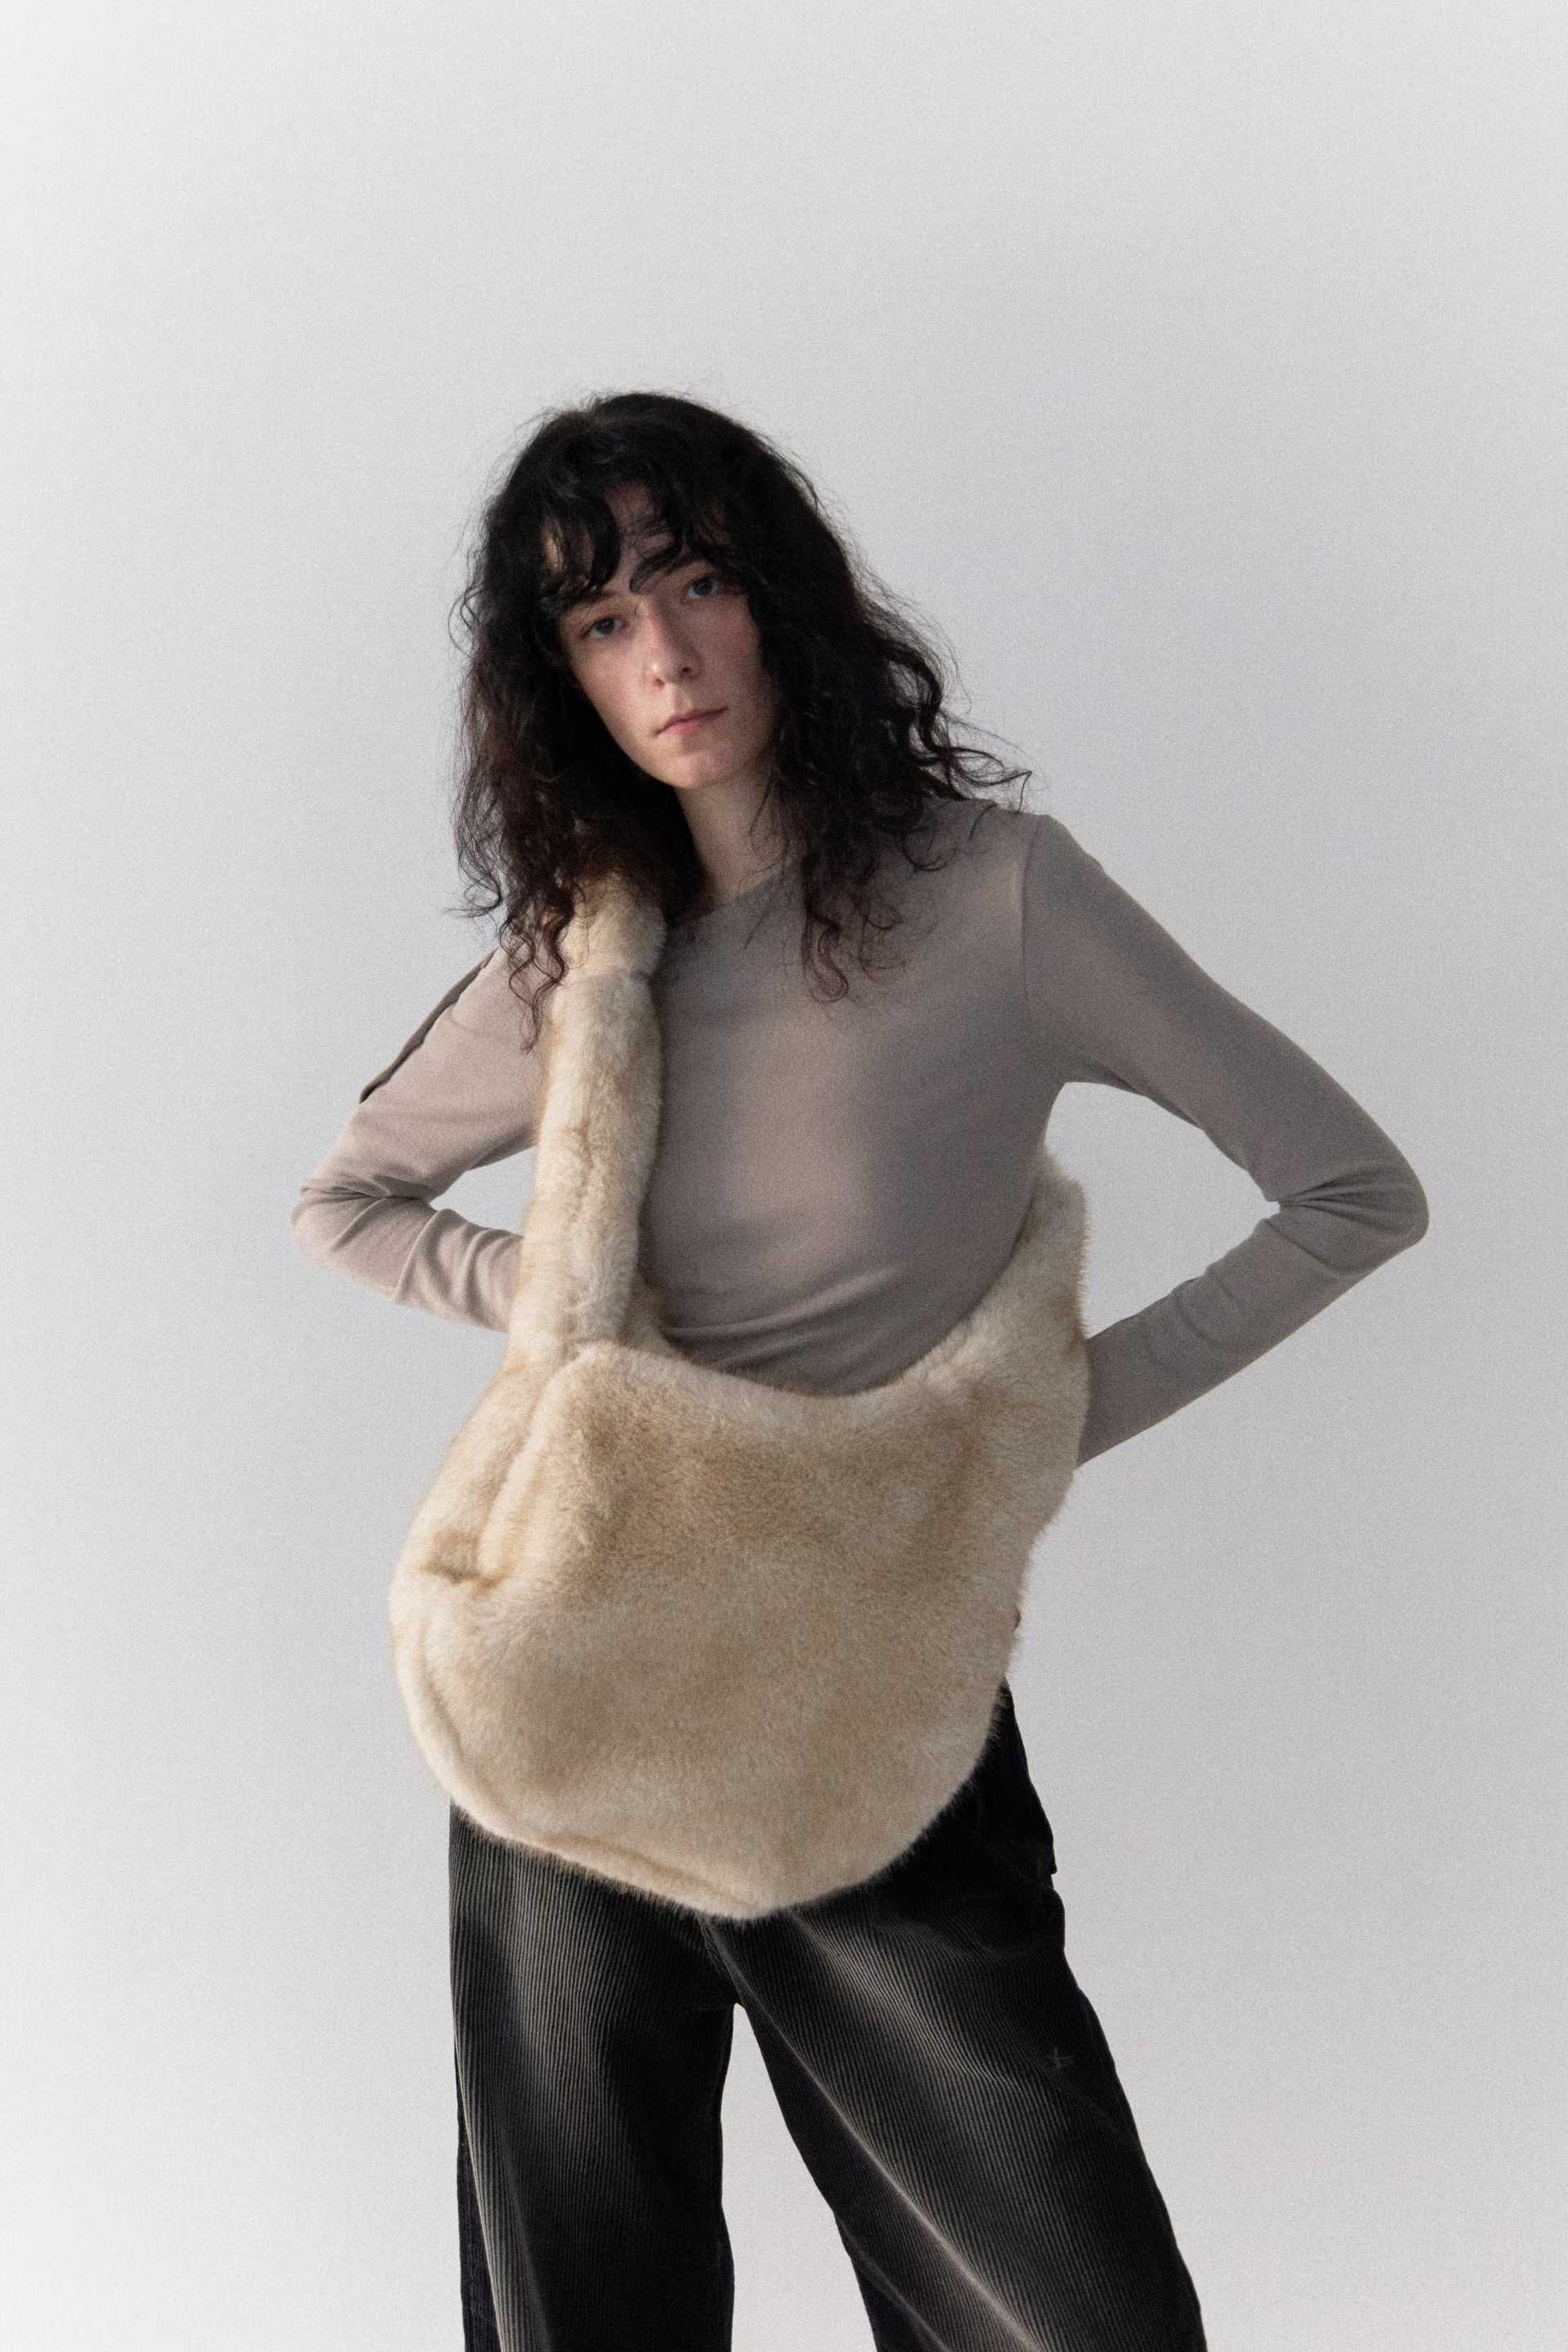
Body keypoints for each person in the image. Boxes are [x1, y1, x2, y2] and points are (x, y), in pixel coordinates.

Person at [290, 391, 1428, 2352]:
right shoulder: (583, 955)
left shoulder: (997, 897)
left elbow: (1350, 1192)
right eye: (600, 621)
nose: (664, 655)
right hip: (572, 1677)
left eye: (696, 584)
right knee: (581, 2304)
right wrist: (563, 1310)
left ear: (781, 599)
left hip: (868, 1705)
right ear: (562, 679)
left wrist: (1029, 1433)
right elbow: (351, 1200)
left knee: (1069, 2309)